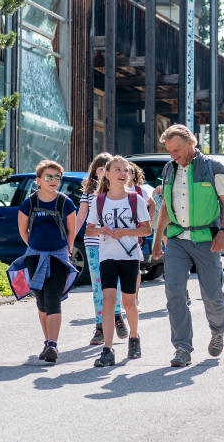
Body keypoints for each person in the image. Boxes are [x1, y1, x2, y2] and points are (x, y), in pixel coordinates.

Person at [151, 124, 224, 367]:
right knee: (174, 293)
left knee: (212, 295)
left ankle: (217, 331)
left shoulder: (212, 167)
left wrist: (223, 232)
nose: (172, 155)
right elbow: (165, 207)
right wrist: (158, 240)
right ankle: (182, 348)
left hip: (207, 239)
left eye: (176, 150)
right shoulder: (168, 169)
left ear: (191, 144)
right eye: (169, 151)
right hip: (177, 239)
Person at [88, 156, 152, 366]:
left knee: (128, 302)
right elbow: (89, 229)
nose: (122, 173)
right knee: (108, 300)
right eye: (117, 169)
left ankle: (134, 337)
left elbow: (146, 229)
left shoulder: (135, 200)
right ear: (106, 174)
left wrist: (125, 231)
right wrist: (100, 230)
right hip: (107, 255)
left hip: (130, 256)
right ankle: (108, 349)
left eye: (125, 170)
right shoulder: (99, 201)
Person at [12, 160, 78, 363]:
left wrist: (66, 249)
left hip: (58, 256)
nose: (53, 181)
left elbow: (71, 231)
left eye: (57, 177)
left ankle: (53, 344)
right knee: (41, 302)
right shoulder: (29, 203)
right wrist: (34, 247)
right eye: (48, 177)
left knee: (52, 299)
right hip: (34, 256)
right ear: (38, 180)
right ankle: (47, 341)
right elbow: (23, 230)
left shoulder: (65, 202)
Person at [76, 153, 127, 346]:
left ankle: (117, 315)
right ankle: (99, 326)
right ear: (96, 172)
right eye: (100, 169)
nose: (104, 172)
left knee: (118, 284)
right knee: (98, 287)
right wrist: (70, 239)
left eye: (108, 168)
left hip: (115, 245)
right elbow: (80, 217)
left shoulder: (120, 193)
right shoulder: (88, 194)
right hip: (94, 245)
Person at [127, 163, 156, 308]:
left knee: (135, 266)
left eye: (129, 171)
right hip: (117, 235)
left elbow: (153, 204)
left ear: (133, 175)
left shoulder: (140, 191)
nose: (125, 174)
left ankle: (135, 298)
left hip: (137, 234)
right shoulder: (112, 190)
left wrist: (148, 221)